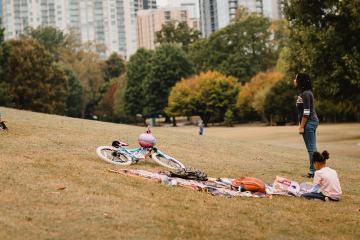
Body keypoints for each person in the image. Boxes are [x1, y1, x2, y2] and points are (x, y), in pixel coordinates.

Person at [294, 73, 319, 178]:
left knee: (311, 148)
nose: (294, 80)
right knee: (312, 147)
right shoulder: (304, 93)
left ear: (300, 81)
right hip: (309, 122)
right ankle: (316, 170)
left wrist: (302, 126)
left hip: (309, 122)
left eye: (296, 78)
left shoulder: (306, 94)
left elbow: (307, 112)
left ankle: (314, 171)